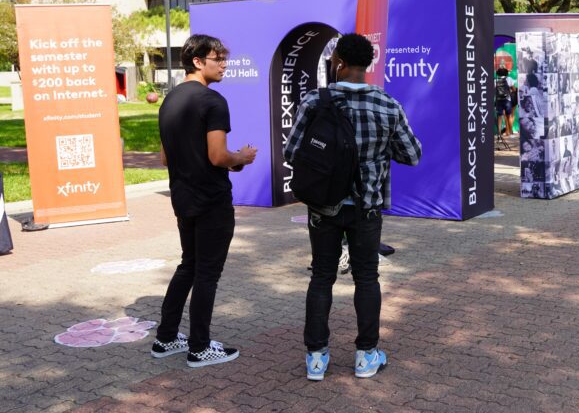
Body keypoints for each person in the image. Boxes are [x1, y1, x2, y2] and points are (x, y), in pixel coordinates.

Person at [284, 33, 422, 382]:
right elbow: (413, 154)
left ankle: (316, 359)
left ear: (340, 63)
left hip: (322, 208)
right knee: (366, 278)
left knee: (321, 277)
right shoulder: (388, 105)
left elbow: (292, 152)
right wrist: (375, 152)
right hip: (367, 208)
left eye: (334, 60)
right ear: (368, 65)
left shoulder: (316, 101)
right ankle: (366, 356)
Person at [152, 35, 257, 367]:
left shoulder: (169, 100)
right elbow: (217, 156)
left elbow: (165, 158)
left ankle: (166, 338)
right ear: (197, 61)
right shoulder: (213, 101)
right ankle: (199, 347)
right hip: (211, 200)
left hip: (182, 199)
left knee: (189, 266)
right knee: (207, 273)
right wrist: (241, 157)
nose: (223, 64)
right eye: (218, 58)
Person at [494, 66, 516, 136]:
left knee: (499, 117)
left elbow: (494, 91)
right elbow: (514, 90)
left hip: (498, 101)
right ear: (506, 73)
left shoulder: (495, 80)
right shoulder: (509, 79)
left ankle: (499, 134)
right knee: (508, 116)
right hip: (507, 101)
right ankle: (510, 132)